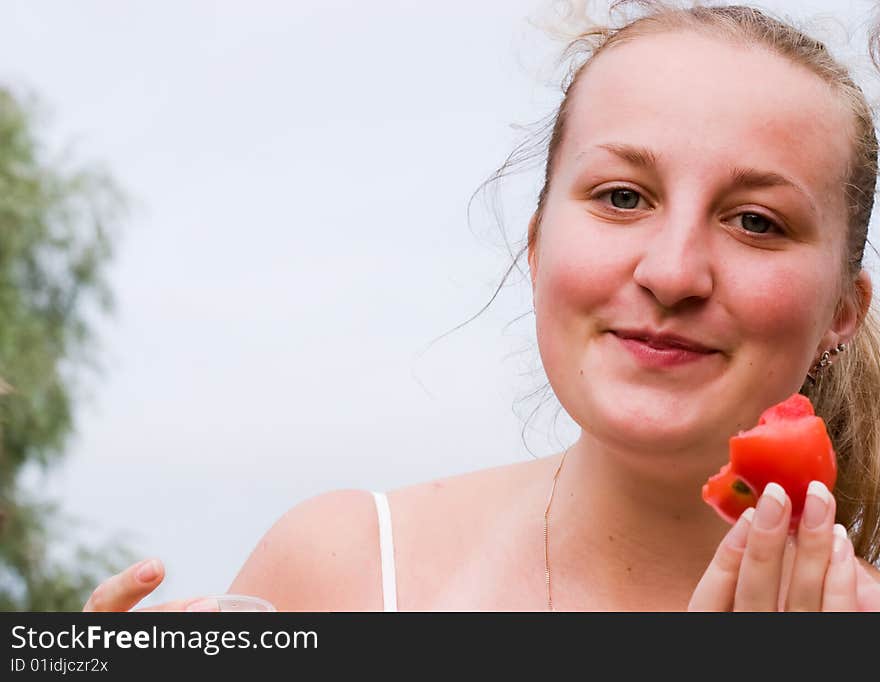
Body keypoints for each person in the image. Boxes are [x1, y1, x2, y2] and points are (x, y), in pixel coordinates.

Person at [83, 1, 880, 612]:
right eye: (623, 196)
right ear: (536, 249)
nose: (673, 273)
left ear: (844, 308)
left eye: (755, 222)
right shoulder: (341, 573)